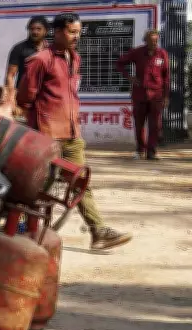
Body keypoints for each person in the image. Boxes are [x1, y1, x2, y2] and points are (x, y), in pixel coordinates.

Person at [17, 12, 132, 251]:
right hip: (47, 136)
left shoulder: (74, 58)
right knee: (38, 187)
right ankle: (18, 229)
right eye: (71, 31)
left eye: (78, 32)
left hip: (72, 135)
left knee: (80, 184)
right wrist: (38, 128)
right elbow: (25, 98)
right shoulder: (41, 60)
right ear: (57, 32)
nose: (76, 36)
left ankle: (98, 231)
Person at [115, 29, 169, 160]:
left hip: (156, 95)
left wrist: (166, 96)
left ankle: (151, 152)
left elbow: (166, 76)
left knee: (155, 125)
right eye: (151, 41)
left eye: (156, 40)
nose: (154, 43)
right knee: (139, 125)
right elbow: (119, 63)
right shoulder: (137, 52)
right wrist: (130, 77)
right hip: (140, 95)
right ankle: (140, 150)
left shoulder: (162, 54)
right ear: (146, 41)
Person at [6, 15, 49, 90]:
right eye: (32, 29)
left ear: (46, 31)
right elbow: (10, 75)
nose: (35, 32)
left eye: (39, 29)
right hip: (24, 95)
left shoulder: (50, 50)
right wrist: (10, 96)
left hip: (45, 96)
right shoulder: (19, 48)